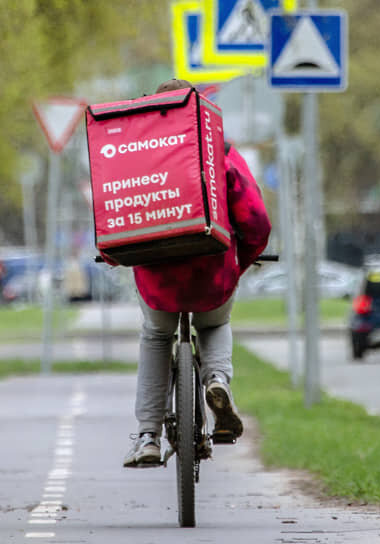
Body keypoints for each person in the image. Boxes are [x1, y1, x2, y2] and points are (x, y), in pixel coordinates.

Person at [123, 78, 272, 468]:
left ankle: (147, 435)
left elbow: (116, 218)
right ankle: (217, 380)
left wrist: (117, 255)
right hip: (211, 277)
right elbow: (256, 219)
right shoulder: (216, 150)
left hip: (159, 283)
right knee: (214, 325)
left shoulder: (132, 154)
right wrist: (241, 260)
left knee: (156, 335)